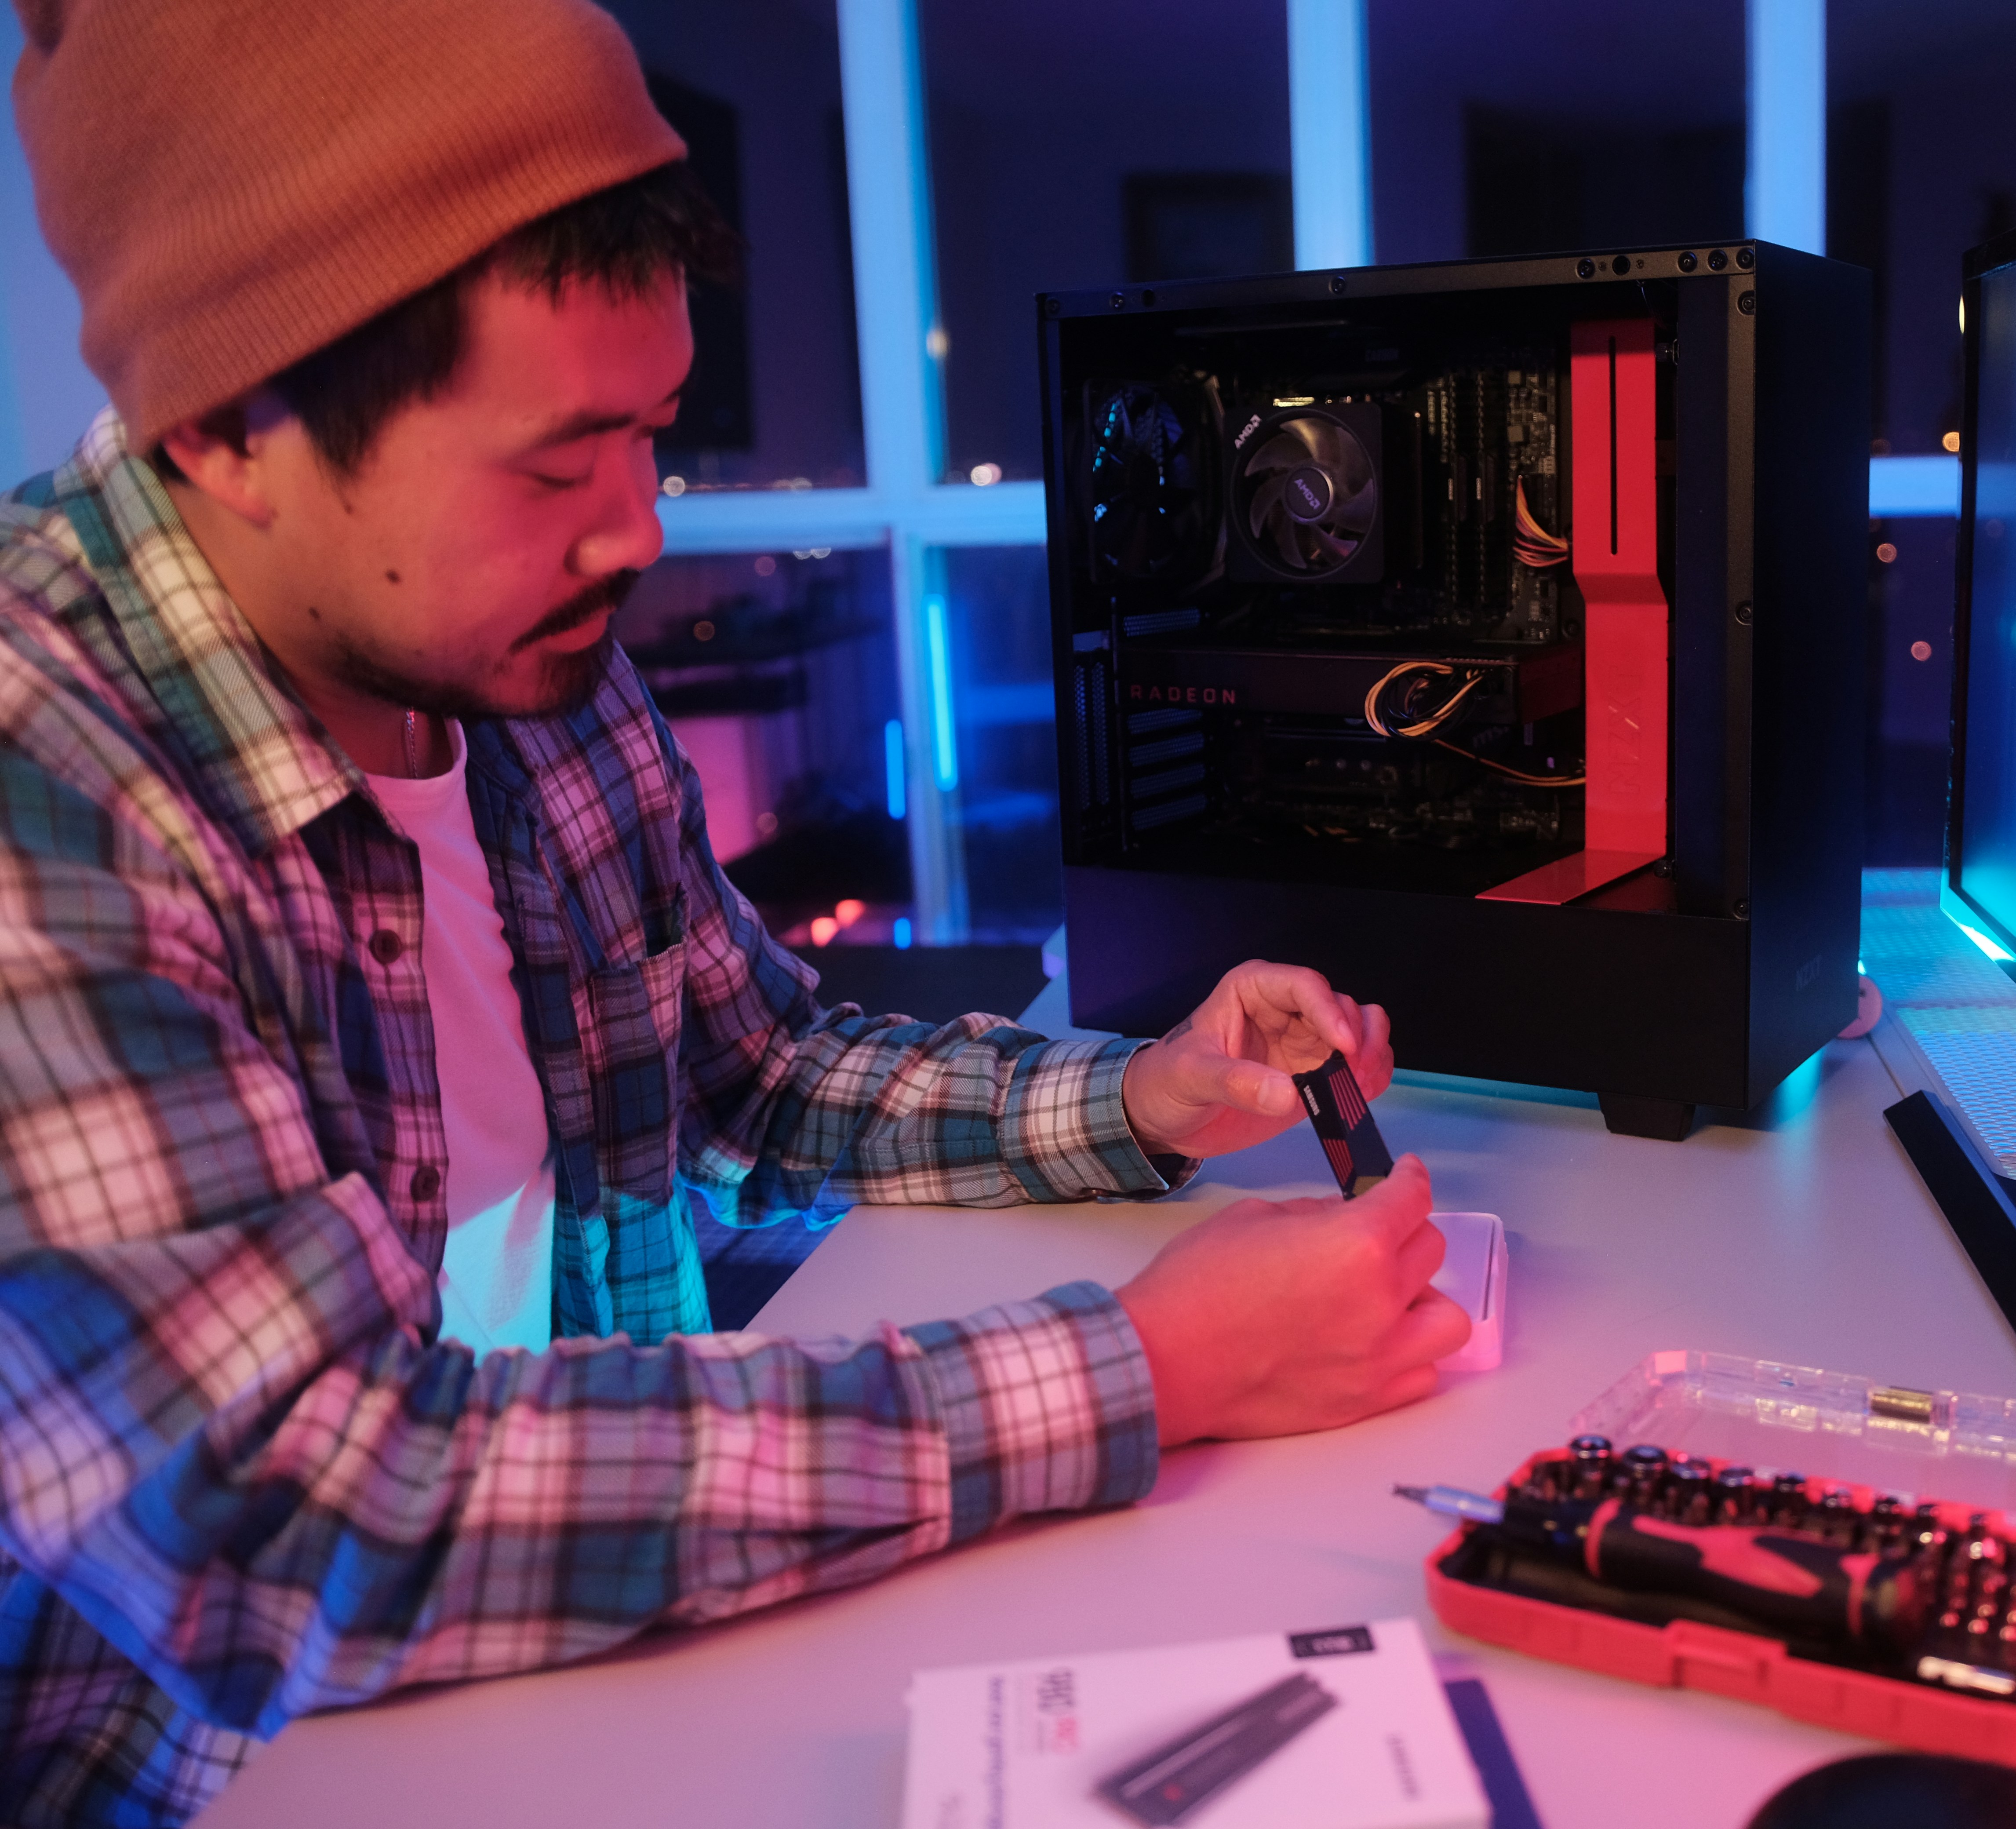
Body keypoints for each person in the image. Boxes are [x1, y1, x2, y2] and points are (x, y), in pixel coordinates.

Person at [0, 0, 1469, 1820]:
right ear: (230, 425)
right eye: (554, 463)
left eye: (655, 435)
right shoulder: (39, 780)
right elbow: (313, 1513)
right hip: (222, 1765)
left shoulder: (526, 663)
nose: (634, 532)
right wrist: (1151, 1361)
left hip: (593, 1653)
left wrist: (1142, 1095)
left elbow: (756, 1063)